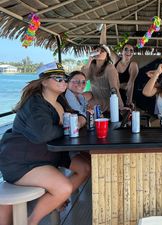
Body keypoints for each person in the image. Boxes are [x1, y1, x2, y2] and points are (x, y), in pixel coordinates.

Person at [0, 62, 90, 225]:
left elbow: (76, 115)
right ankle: (31, 221)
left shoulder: (60, 100)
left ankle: (56, 200)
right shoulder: (35, 104)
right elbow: (44, 133)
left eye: (65, 78)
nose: (63, 82)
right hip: (23, 161)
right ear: (44, 81)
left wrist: (81, 119)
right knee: (63, 188)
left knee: (85, 167)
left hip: (49, 154)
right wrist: (70, 126)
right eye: (58, 78)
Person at [82, 44, 124, 116]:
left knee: (86, 106)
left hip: (107, 99)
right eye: (97, 51)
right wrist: (89, 60)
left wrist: (121, 106)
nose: (99, 52)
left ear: (107, 56)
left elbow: (114, 88)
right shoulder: (92, 66)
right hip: (95, 96)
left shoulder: (110, 68)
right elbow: (83, 78)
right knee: (81, 97)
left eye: (102, 51)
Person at [112, 43, 139, 108]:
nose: (128, 52)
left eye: (131, 50)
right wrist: (103, 32)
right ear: (122, 51)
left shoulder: (133, 65)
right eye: (126, 49)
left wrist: (129, 102)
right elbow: (104, 45)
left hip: (125, 97)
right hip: (112, 96)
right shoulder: (116, 60)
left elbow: (130, 84)